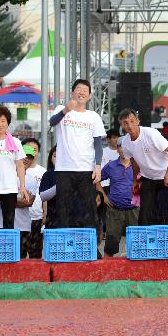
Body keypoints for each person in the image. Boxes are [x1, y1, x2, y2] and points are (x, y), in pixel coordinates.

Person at [119, 109, 168, 241]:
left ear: (138, 121)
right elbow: (133, 161)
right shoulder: (126, 142)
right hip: (149, 177)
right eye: (126, 123)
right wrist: (134, 181)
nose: (130, 125)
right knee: (145, 211)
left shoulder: (150, 133)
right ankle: (144, 241)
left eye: (132, 121)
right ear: (122, 125)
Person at [48, 79, 107, 228]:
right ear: (72, 92)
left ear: (89, 96)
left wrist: (98, 165)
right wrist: (65, 111)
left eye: (85, 90)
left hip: (86, 169)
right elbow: (52, 122)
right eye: (78, 89)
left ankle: (91, 248)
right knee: (63, 210)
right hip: (64, 169)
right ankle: (63, 247)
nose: (81, 92)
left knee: (89, 210)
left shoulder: (93, 116)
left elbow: (98, 144)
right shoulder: (62, 109)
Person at [99, 141, 138, 256]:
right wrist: (104, 196)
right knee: (110, 246)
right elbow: (97, 180)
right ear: (117, 149)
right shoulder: (110, 166)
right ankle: (107, 272)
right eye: (121, 147)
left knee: (136, 244)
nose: (124, 149)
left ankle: (135, 273)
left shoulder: (138, 165)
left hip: (134, 209)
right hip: (114, 209)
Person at [21, 144, 46, 258]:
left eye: (30, 157)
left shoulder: (32, 179)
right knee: (18, 254)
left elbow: (29, 202)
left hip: (35, 217)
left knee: (35, 254)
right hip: (14, 222)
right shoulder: (8, 174)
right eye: (24, 156)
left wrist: (12, 202)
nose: (27, 159)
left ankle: (35, 277)